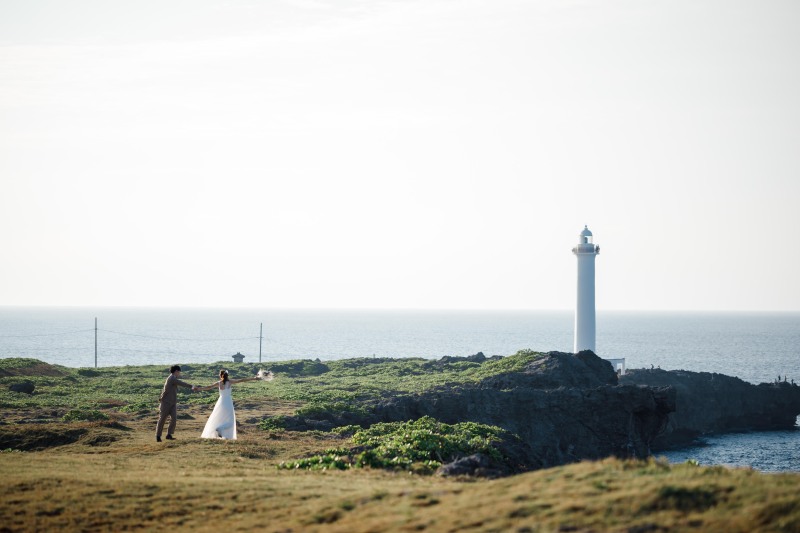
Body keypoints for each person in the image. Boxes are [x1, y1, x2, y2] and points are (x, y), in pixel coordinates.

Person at [196, 369, 264, 440]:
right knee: (230, 420)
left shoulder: (219, 383)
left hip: (221, 401)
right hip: (228, 401)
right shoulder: (230, 382)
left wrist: (199, 389)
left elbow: (208, 387)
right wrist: (253, 378)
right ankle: (220, 429)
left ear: (220, 375)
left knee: (218, 417)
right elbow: (242, 380)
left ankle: (218, 430)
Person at [156, 365, 196, 442]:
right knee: (162, 419)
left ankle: (169, 434)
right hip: (166, 402)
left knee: (174, 418)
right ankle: (158, 436)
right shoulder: (171, 378)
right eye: (179, 372)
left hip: (173, 403)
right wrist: (192, 386)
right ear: (176, 371)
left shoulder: (174, 378)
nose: (179, 374)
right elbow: (181, 383)